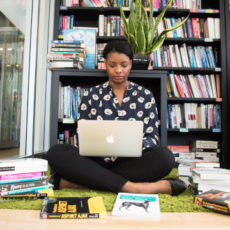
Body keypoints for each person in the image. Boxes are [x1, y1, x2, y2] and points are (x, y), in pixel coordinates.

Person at [47, 40, 187, 195]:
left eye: (124, 65)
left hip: (131, 163)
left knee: (165, 157)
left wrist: (130, 147)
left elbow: (152, 137)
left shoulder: (145, 95)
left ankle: (83, 183)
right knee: (56, 152)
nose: (118, 70)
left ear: (131, 64)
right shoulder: (91, 95)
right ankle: (135, 188)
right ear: (105, 63)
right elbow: (83, 138)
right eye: (112, 65)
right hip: (95, 162)